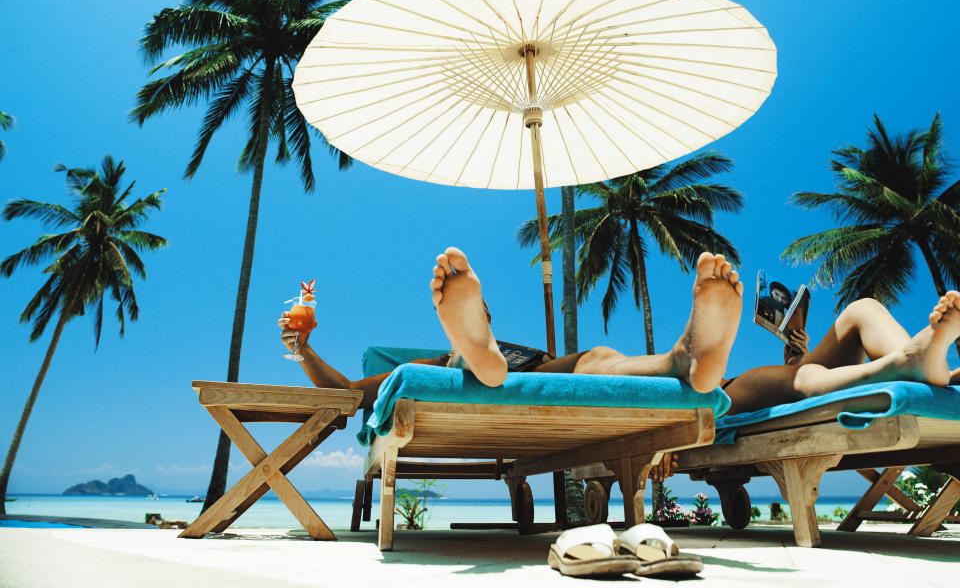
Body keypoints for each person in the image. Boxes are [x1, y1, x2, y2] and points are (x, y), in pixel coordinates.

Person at [280, 247, 960, 418]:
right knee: (581, 365)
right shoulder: (428, 361)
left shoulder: (540, 350)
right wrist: (307, 348)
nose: (481, 316)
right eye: (471, 322)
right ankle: (481, 371)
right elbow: (345, 395)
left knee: (599, 357)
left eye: (481, 318)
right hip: (496, 371)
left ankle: (683, 358)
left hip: (558, 364)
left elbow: (591, 360)